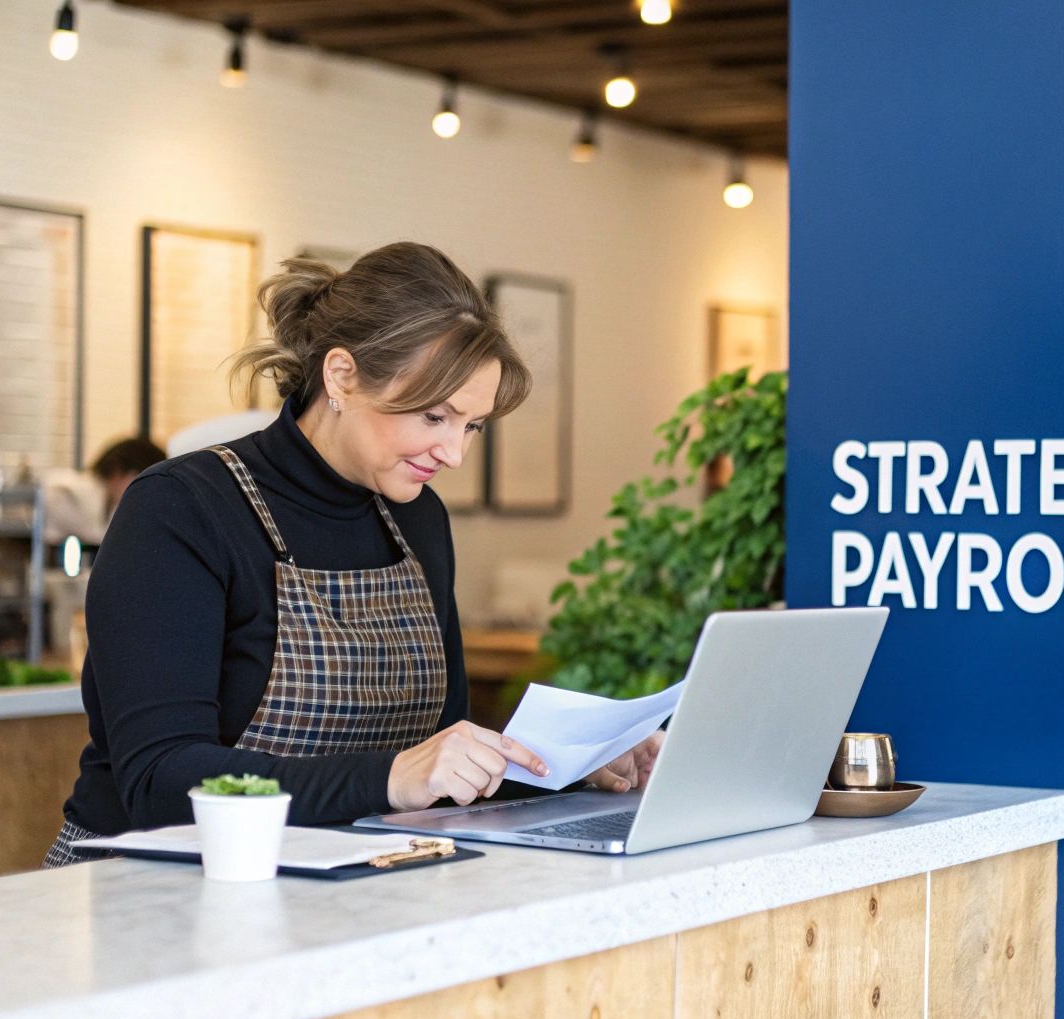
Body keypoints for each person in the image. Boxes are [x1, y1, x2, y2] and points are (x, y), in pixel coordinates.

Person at [44, 242, 661, 865]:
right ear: (341, 375)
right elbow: (160, 783)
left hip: (342, 877)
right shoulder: (181, 509)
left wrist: (569, 765)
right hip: (151, 887)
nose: (454, 454)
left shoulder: (416, 517)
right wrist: (392, 779)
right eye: (433, 417)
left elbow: (432, 762)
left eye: (471, 426)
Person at [40, 437, 168, 545]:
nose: (144, 491)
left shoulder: (107, 502)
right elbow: (107, 537)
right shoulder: (70, 491)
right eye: (138, 477)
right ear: (117, 471)